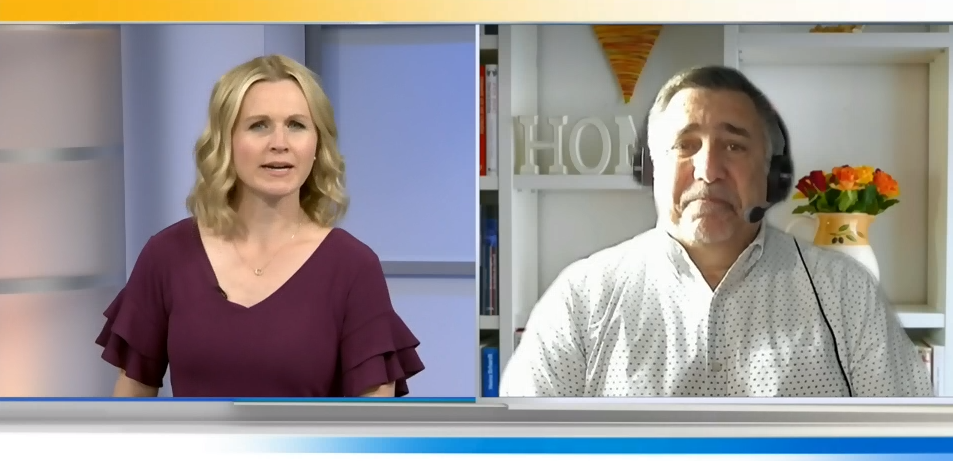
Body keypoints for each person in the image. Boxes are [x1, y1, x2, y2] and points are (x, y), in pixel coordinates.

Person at [499, 65, 932, 398]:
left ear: (772, 174)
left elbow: (908, 444)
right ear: (652, 169)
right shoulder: (580, 298)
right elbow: (524, 447)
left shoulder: (847, 294)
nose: (708, 170)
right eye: (684, 145)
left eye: (734, 146)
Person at [95, 55, 425, 398]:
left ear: (317, 144)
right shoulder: (166, 256)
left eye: (296, 125)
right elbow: (131, 403)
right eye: (259, 125)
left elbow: (373, 419)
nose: (279, 143)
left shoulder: (353, 267)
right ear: (226, 141)